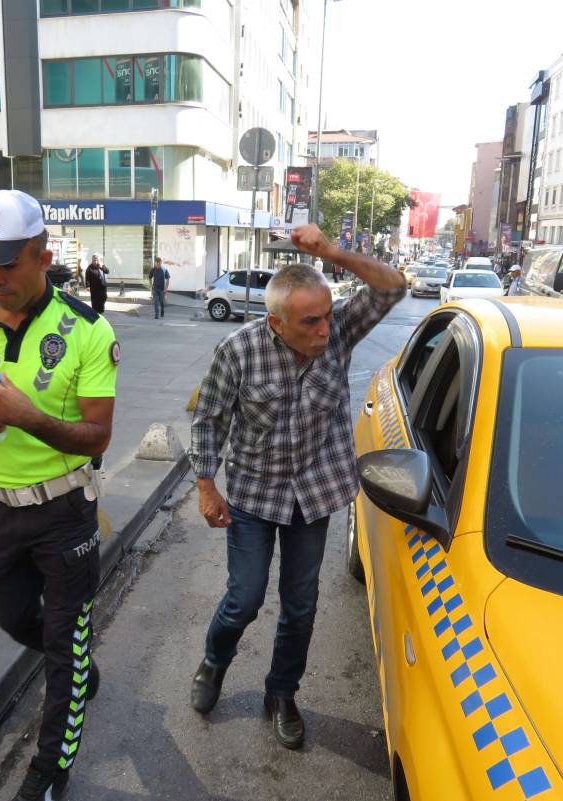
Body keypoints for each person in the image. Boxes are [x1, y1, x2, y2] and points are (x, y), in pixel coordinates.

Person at [188, 223, 406, 749]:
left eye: (328, 315)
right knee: (244, 598)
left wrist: (331, 251)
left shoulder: (338, 333)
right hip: (254, 495)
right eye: (310, 321)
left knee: (301, 605)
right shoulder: (237, 351)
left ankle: (282, 693)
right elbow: (209, 419)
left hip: (316, 492)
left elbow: (393, 287)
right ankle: (214, 661)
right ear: (277, 323)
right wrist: (205, 485)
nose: (324, 330)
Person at [0, 190, 118, 801]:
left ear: (43, 255)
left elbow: (98, 435)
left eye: (8, 263)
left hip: (66, 513)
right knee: (13, 617)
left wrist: (27, 416)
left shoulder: (88, 330)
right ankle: (76, 662)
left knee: (63, 654)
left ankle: (47, 774)